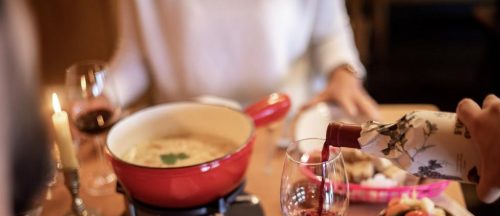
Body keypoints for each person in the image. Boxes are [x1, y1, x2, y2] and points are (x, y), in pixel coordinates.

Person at [1, 1, 500, 216]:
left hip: (290, 131)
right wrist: (98, 98)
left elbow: (334, 38)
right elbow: (132, 60)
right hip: (193, 124)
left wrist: (342, 74)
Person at [109, 0, 379, 120]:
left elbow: (329, 32)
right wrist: (106, 95)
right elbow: (135, 56)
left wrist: (344, 73)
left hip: (284, 129)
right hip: (186, 128)